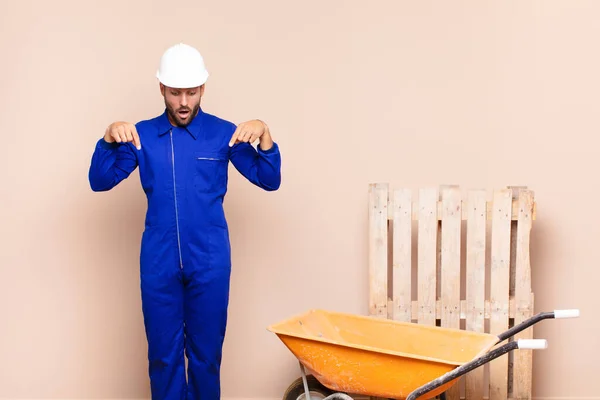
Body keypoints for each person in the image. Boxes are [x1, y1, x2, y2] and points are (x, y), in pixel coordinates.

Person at [88, 43, 282, 400]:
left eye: (191, 93)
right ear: (161, 88)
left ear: (203, 89)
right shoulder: (140, 136)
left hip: (209, 261)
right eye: (175, 92)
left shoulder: (225, 133)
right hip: (158, 261)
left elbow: (268, 179)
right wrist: (108, 137)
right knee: (163, 358)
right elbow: (100, 181)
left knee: (206, 358)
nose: (183, 102)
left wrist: (265, 135)